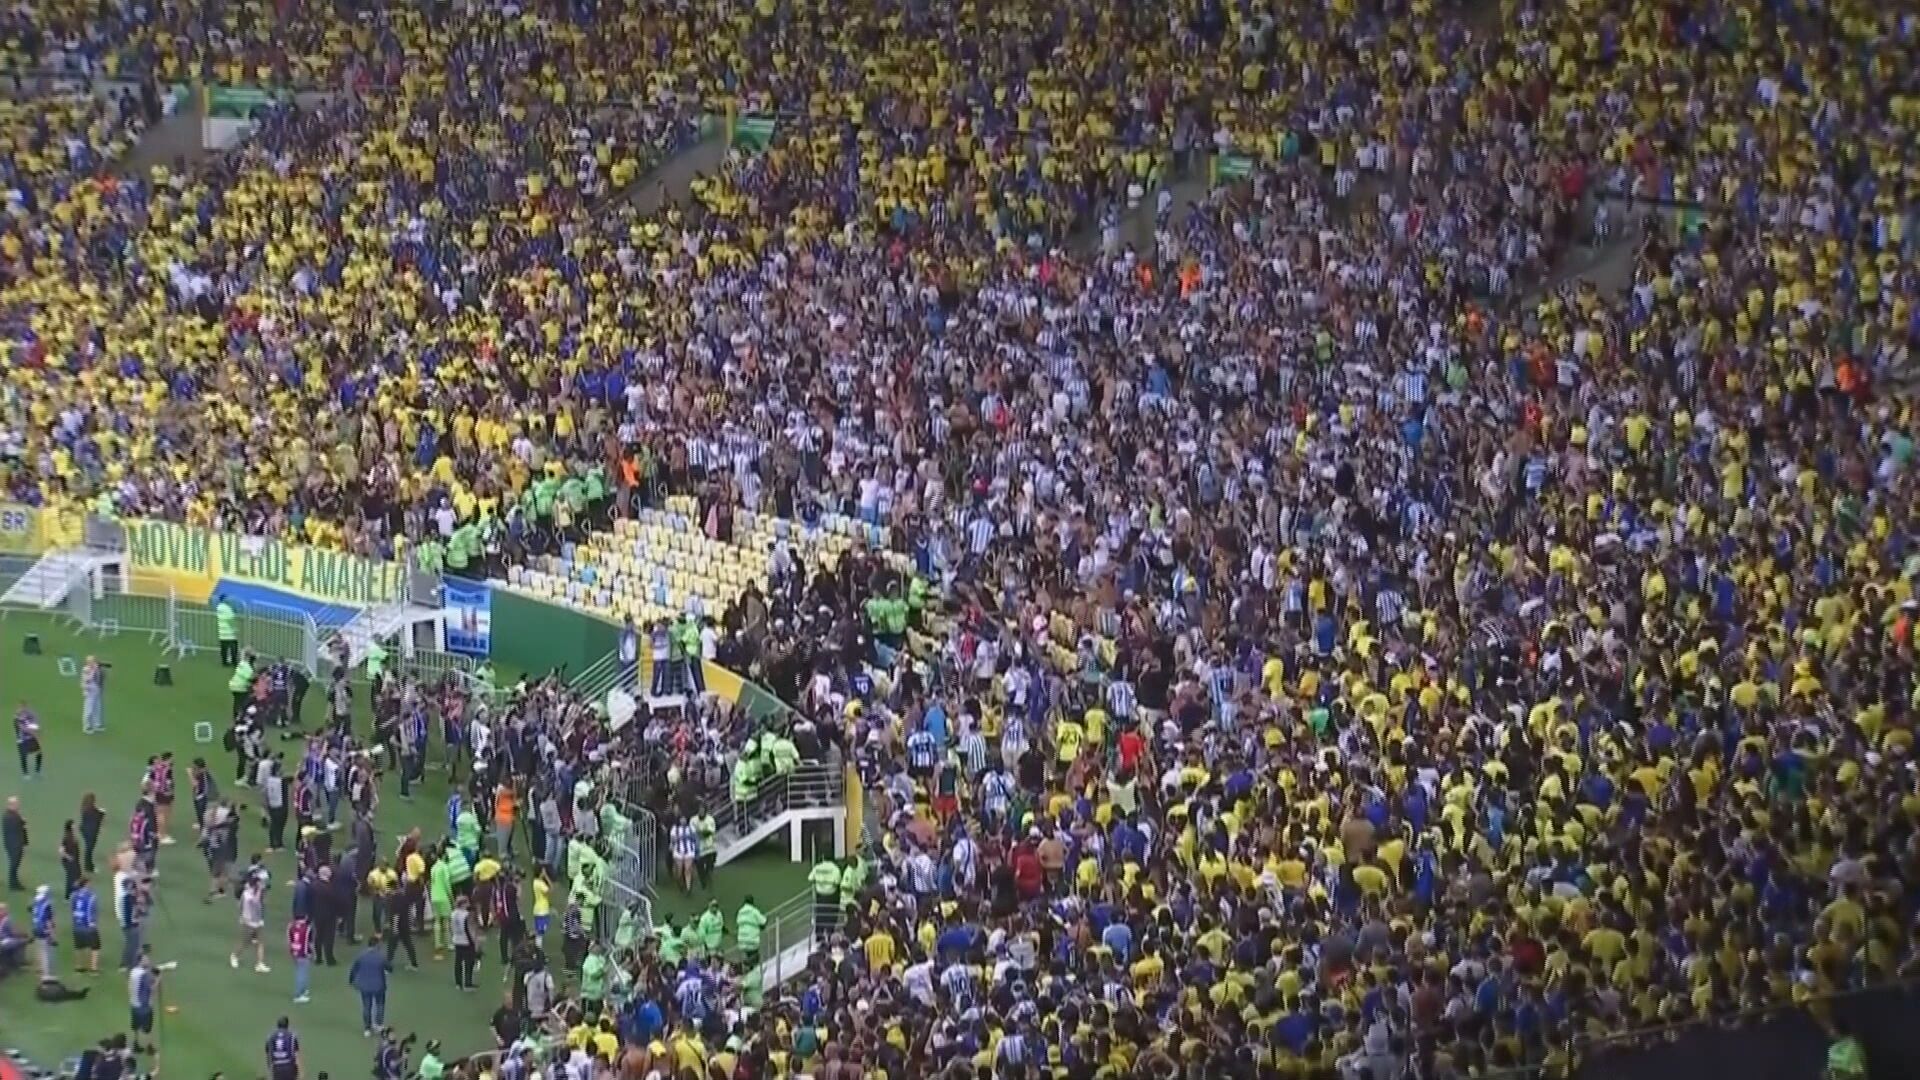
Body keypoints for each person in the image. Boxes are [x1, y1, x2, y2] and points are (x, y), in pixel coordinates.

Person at [348, 936, 391, 1036]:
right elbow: (389, 968)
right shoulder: (381, 957)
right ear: (377, 945)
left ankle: (367, 1028)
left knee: (367, 1006)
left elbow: (354, 969)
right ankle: (379, 1025)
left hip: (365, 986)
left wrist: (351, 980)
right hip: (379, 985)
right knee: (380, 1005)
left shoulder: (361, 956)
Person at [233, 875, 270, 973]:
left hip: (258, 920)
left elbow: (262, 904)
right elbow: (253, 902)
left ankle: (259, 963)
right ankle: (235, 956)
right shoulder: (247, 894)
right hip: (248, 920)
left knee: (260, 942)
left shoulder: (259, 892)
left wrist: (262, 894)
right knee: (246, 941)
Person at [126, 948, 159, 1054]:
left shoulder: (133, 971)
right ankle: (149, 1047)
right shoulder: (144, 975)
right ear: (140, 961)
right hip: (144, 1005)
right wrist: (159, 978)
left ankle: (135, 1044)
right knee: (147, 1028)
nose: (148, 961)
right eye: (146, 960)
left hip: (134, 1003)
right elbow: (152, 988)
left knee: (135, 1026)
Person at [70, 875, 100, 974]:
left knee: (79, 946)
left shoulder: (74, 895)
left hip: (77, 925)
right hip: (88, 926)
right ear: (86, 884)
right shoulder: (92, 896)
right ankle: (93, 968)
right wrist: (93, 923)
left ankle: (79, 966)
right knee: (95, 947)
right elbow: (94, 911)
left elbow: (73, 909)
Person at [450, 894, 480, 991]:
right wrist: (476, 943)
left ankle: (458, 983)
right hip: (466, 941)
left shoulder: (453, 913)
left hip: (457, 940)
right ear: (463, 904)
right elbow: (471, 930)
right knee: (469, 963)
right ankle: (467, 984)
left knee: (458, 962)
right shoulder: (467, 915)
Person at [29, 885, 55, 980]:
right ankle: (46, 975)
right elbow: (48, 921)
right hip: (43, 930)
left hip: (36, 928)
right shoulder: (47, 904)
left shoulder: (35, 902)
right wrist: (52, 935)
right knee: (45, 952)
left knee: (39, 950)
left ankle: (39, 969)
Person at [287, 911, 314, 1003]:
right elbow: (308, 942)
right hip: (304, 953)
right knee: (302, 973)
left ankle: (303, 990)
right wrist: (310, 953)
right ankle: (298, 995)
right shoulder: (307, 928)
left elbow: (289, 940)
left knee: (300, 971)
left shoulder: (291, 926)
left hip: (294, 951)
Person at [265, 1016, 301, 1080]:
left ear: (277, 1025)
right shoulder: (292, 1036)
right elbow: (296, 1056)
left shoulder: (270, 1037)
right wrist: (300, 1071)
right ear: (287, 1025)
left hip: (276, 1068)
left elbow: (268, 1056)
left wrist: (270, 1071)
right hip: (289, 1067)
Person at [3, 797, 27, 891]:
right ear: (11, 805)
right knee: (14, 864)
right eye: (16, 804)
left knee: (15, 864)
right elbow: (15, 829)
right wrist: (22, 821)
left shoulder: (13, 814)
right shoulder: (10, 816)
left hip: (15, 844)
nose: (18, 805)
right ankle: (13, 884)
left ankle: (14, 881)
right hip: (14, 845)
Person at [14, 701, 42, 775]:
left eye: (22, 707)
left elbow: (35, 725)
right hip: (22, 739)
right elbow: (22, 728)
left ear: (25, 707)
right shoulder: (17, 717)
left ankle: (38, 770)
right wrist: (35, 734)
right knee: (23, 756)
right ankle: (25, 774)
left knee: (39, 752)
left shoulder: (31, 715)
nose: (20, 709)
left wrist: (35, 731)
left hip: (31, 737)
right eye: (19, 707)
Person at [78, 794, 103, 874]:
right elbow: (98, 818)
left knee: (88, 848)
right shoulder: (92, 811)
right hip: (91, 832)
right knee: (89, 849)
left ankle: (88, 865)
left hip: (84, 830)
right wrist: (102, 813)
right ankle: (89, 867)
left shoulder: (84, 808)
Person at [80, 656, 105, 735]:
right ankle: (87, 726)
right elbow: (87, 680)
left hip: (97, 690)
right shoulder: (86, 670)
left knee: (97, 708)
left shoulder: (96, 667)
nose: (92, 663)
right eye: (90, 662)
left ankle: (96, 724)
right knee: (88, 710)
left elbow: (101, 676)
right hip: (90, 691)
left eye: (93, 661)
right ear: (87, 662)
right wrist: (93, 670)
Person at [230, 651, 257, 721]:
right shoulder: (248, 668)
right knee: (244, 701)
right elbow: (250, 678)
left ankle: (236, 715)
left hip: (233, 685)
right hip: (240, 686)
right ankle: (240, 716)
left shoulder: (242, 663)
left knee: (237, 701)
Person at [216, 596, 239, 667]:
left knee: (224, 647)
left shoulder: (219, 607)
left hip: (222, 630)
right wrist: (234, 628)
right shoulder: (227, 609)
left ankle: (224, 662)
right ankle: (234, 661)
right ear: (224, 600)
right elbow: (230, 620)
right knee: (234, 646)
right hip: (228, 631)